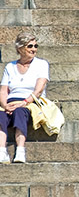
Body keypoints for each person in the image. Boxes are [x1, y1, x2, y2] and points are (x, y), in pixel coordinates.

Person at [0, 32, 50, 163]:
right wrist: (5, 105)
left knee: (19, 112)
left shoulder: (41, 64)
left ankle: (20, 151)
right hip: (10, 102)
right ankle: (2, 151)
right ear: (20, 48)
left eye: (35, 46)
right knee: (1, 116)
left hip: (30, 102)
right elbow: (3, 90)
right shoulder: (10, 66)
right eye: (30, 46)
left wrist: (24, 102)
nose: (34, 49)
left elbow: (39, 90)